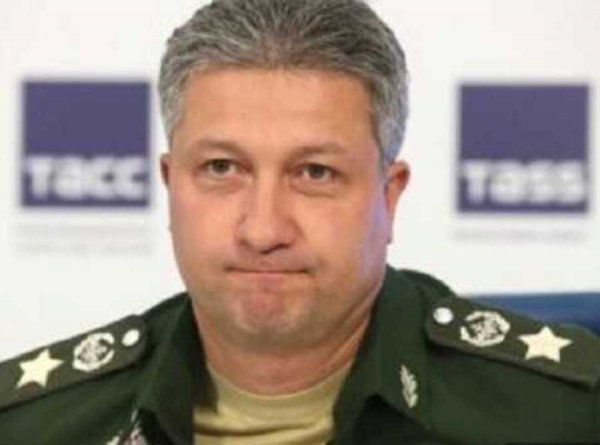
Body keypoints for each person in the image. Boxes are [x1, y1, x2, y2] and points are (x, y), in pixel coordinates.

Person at [1, 0, 599, 443]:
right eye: (221, 168)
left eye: (314, 172)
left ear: (389, 197)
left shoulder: (566, 417)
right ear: (169, 184)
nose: (263, 230)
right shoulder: (34, 426)